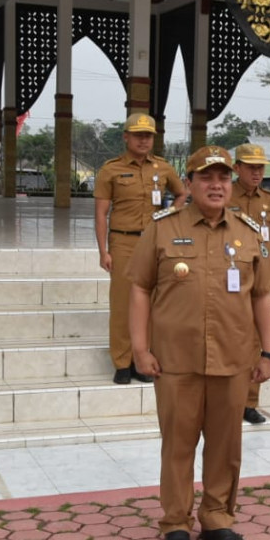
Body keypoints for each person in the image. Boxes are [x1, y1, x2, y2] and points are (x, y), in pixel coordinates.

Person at [127, 145, 270, 540]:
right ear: (189, 183)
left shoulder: (248, 233)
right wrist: (140, 349)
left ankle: (217, 517)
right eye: (206, 178)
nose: (216, 186)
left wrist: (269, 353)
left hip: (233, 360)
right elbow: (139, 287)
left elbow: (262, 296)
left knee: (225, 445)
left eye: (223, 178)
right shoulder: (161, 227)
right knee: (178, 443)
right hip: (175, 360)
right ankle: (176, 521)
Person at [95, 114, 187, 384]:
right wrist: (104, 251)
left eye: (148, 136)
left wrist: (170, 214)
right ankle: (122, 362)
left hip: (154, 242)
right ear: (126, 137)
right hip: (123, 242)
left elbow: (182, 194)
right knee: (123, 303)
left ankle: (141, 359)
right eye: (138, 135)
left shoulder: (163, 167)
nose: (144, 140)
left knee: (152, 302)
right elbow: (101, 214)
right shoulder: (110, 169)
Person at [229, 143, 270, 425]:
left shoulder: (269, 200)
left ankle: (249, 402)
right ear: (236, 168)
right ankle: (228, 399)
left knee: (256, 340)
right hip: (232, 272)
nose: (256, 172)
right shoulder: (225, 194)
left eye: (260, 167)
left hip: (261, 276)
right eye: (250, 167)